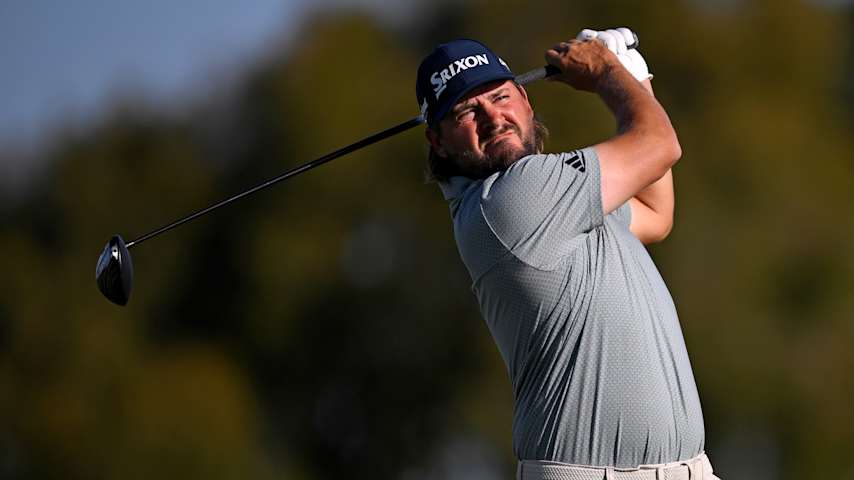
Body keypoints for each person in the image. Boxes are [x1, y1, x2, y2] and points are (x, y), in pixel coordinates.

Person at [416, 28, 720, 479]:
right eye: (466, 111)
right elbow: (660, 145)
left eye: (500, 97)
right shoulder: (513, 197)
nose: (492, 117)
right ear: (438, 142)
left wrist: (636, 80)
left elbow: (655, 214)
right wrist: (606, 72)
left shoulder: (556, 201)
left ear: (525, 99)